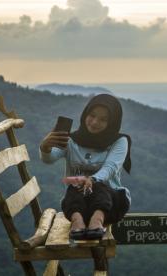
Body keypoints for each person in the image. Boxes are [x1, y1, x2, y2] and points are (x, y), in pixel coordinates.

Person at [39, 94, 132, 240]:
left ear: (112, 122)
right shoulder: (71, 140)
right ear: (85, 114)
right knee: (74, 186)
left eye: (103, 119)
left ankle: (97, 220)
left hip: (110, 206)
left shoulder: (119, 141)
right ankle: (77, 222)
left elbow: (111, 167)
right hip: (78, 206)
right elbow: (50, 158)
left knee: (98, 186)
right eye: (92, 115)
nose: (95, 122)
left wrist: (92, 179)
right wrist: (45, 147)